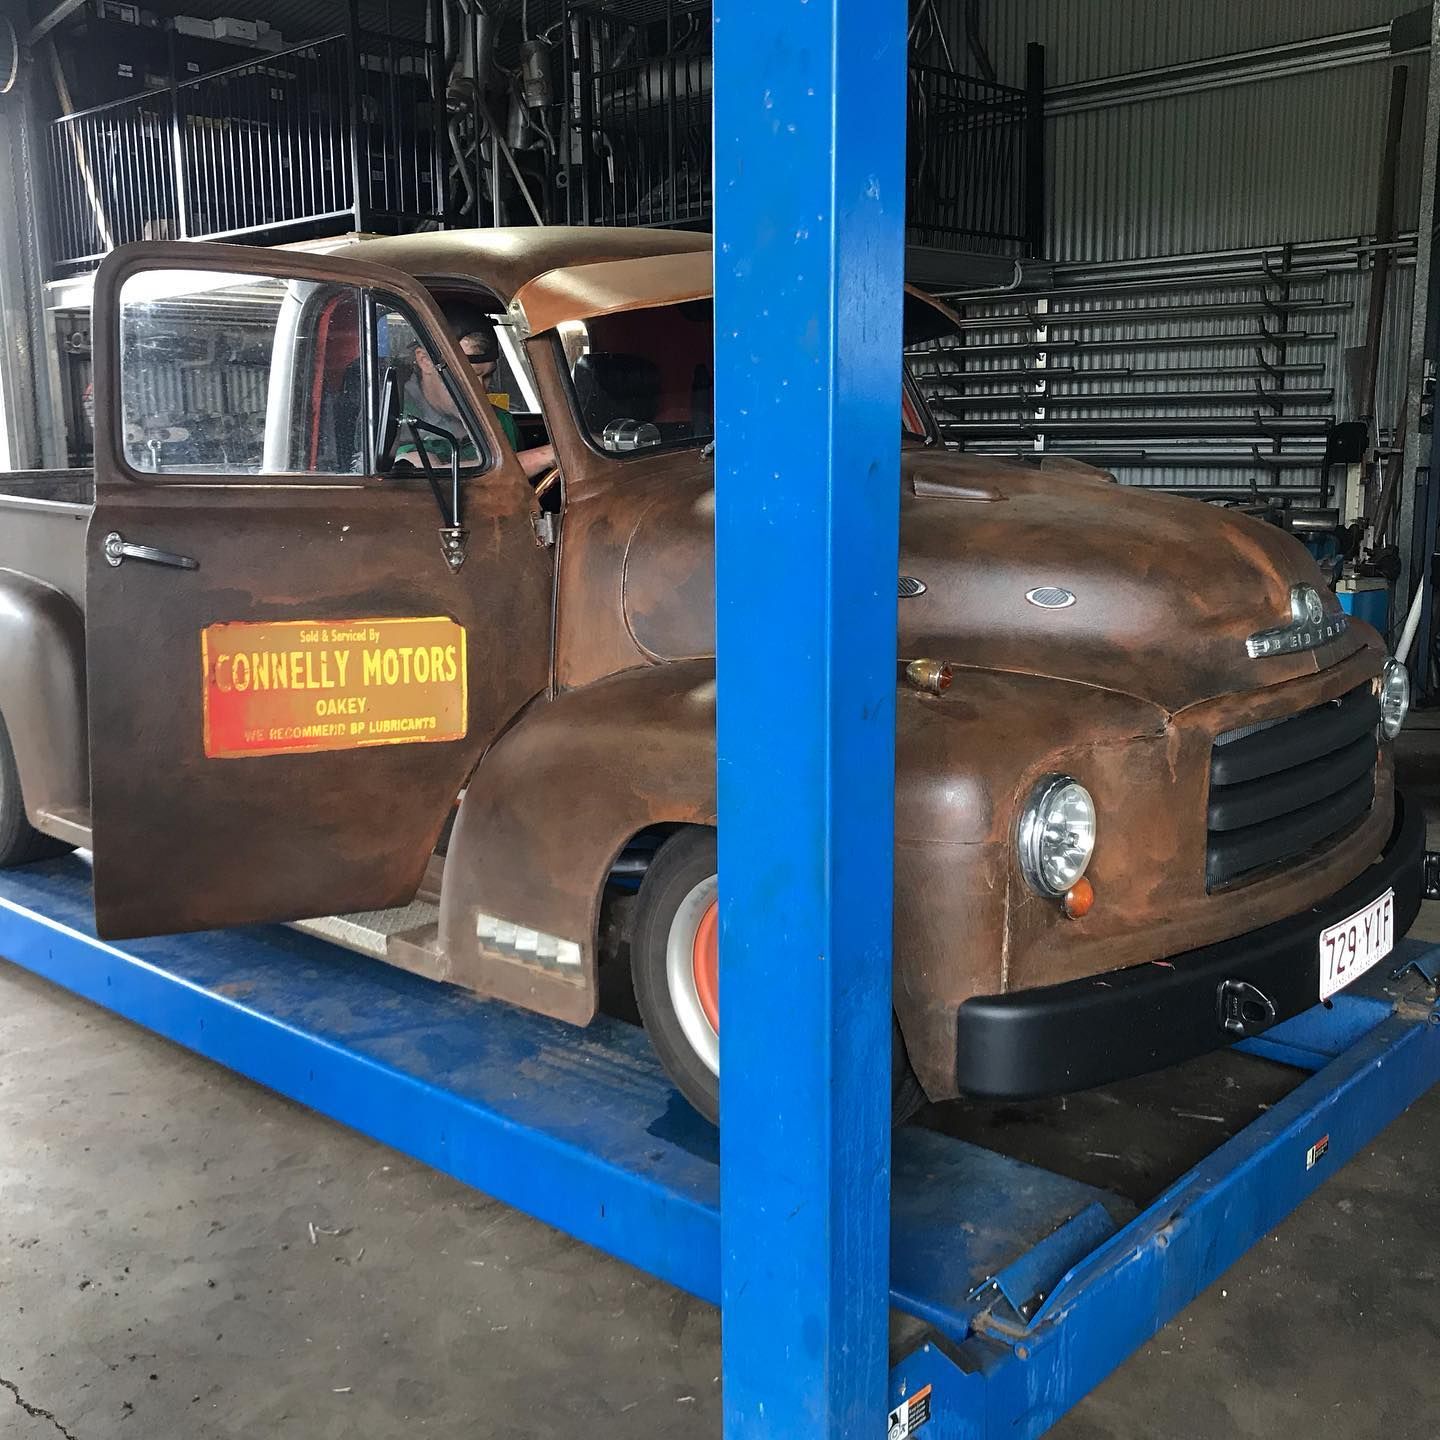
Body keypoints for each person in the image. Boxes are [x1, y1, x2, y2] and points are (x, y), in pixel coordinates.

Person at [397, 302, 556, 481]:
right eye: (470, 377)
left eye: (487, 376)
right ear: (425, 361)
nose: (480, 390)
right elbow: (427, 476)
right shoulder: (394, 419)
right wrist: (543, 456)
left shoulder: (501, 421)